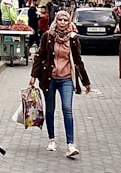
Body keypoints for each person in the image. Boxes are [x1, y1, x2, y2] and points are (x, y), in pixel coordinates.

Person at [29, 10, 91, 158]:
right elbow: (40, 56)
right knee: (50, 110)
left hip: (66, 79)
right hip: (49, 78)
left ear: (69, 22)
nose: (62, 23)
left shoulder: (73, 39)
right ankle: (51, 139)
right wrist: (33, 76)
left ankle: (70, 144)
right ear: (55, 21)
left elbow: (77, 60)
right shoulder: (48, 36)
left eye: (65, 20)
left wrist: (86, 82)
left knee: (67, 108)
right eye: (60, 20)